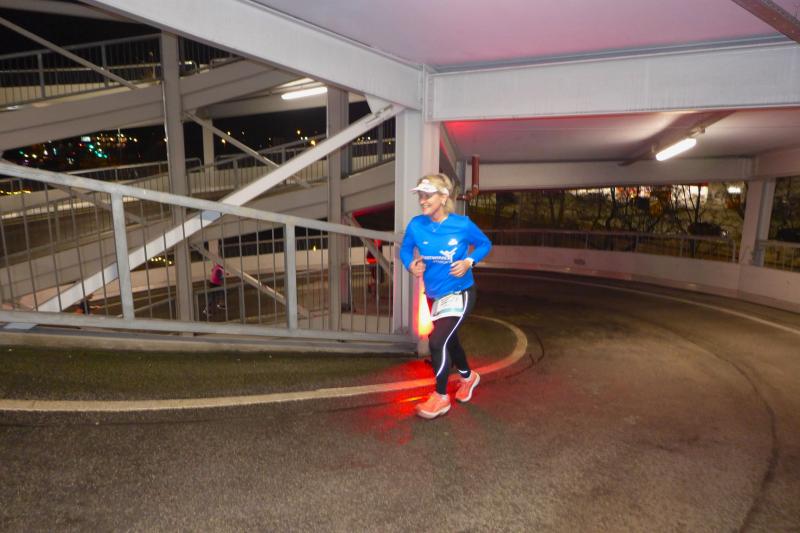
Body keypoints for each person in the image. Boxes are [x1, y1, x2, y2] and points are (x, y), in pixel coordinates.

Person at [400, 173, 492, 419]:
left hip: (460, 292)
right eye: (420, 196)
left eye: (427, 195)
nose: (422, 200)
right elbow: (405, 249)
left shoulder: (462, 224)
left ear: (443, 197)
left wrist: (469, 261)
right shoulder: (416, 225)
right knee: (450, 341)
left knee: (437, 341)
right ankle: (468, 377)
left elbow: (485, 244)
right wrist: (410, 264)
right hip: (434, 295)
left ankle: (441, 397)